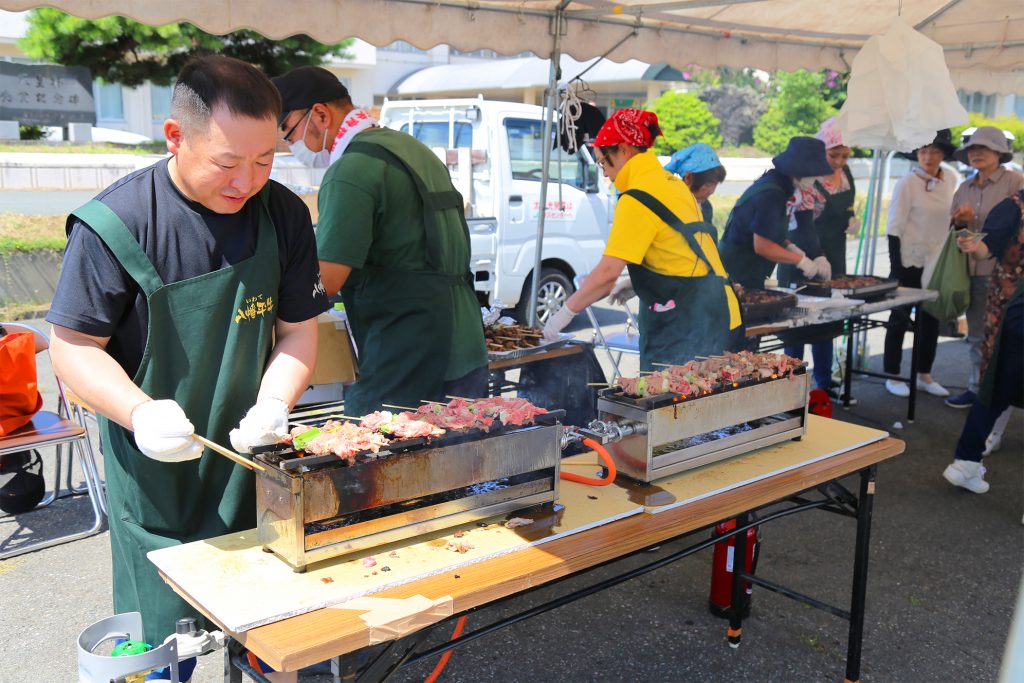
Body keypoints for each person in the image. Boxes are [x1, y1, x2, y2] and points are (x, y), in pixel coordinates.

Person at [46, 56, 328, 682]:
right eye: (228, 163)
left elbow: (298, 331)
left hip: (251, 465)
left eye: (265, 161)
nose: (247, 183)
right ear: (176, 137)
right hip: (156, 475)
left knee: (269, 630)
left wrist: (275, 403)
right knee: (164, 645)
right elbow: (71, 348)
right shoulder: (117, 224)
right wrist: (139, 411)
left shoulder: (282, 215)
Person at [273, 66, 487, 415]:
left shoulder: (351, 170)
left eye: (290, 131)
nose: (293, 144)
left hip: (409, 349)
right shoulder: (414, 149)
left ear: (321, 114)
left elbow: (326, 280)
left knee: (367, 454)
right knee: (462, 458)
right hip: (466, 345)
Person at [542, 109, 741, 370]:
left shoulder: (637, 197)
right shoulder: (673, 183)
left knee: (668, 403)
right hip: (721, 313)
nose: (604, 173)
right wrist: (639, 283)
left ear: (624, 150)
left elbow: (606, 275)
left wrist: (562, 315)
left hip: (685, 324)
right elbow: (682, 250)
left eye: (604, 162)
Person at [942, 190, 1023, 495]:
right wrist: (971, 242)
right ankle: (965, 462)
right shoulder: (1013, 207)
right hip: (1012, 311)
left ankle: (965, 463)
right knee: (995, 386)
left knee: (996, 387)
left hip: (1013, 314)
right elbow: (985, 249)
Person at [944, 126, 1024, 408]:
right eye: (972, 149)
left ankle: (1008, 393)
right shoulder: (964, 187)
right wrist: (962, 223)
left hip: (1011, 275)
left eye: (984, 148)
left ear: (999, 153)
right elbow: (955, 233)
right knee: (978, 335)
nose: (976, 153)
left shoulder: (1016, 183)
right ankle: (978, 389)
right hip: (974, 271)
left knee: (1012, 336)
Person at [779, 118, 859, 397]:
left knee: (827, 318)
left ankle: (824, 382)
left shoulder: (846, 173)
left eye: (844, 155)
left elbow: (847, 206)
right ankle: (793, 382)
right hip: (799, 251)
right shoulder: (806, 175)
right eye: (833, 154)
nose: (839, 161)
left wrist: (851, 219)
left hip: (834, 252)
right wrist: (806, 257)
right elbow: (797, 222)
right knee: (797, 320)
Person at [882, 130, 958, 398]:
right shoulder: (907, 183)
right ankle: (891, 373)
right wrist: (896, 269)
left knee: (931, 320)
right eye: (923, 150)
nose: (928, 156)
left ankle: (924, 373)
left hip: (936, 261)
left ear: (943, 154)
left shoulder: (950, 178)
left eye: (935, 151)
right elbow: (894, 228)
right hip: (908, 260)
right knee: (899, 318)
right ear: (916, 153)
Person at [718, 136, 834, 290]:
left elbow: (768, 230)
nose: (814, 178)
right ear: (799, 170)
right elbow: (763, 246)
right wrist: (800, 260)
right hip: (738, 268)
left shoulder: (781, 186)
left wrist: (790, 246)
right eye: (812, 174)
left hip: (752, 268)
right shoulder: (772, 194)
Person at [664, 142, 727, 223]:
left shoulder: (706, 207)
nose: (711, 191)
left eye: (715, 184)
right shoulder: (668, 205)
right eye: (707, 184)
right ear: (688, 178)